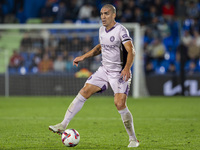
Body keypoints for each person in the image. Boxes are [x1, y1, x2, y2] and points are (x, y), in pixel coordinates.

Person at [49, 4, 139, 148]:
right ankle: (62, 125)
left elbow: (131, 51)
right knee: (84, 91)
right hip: (104, 70)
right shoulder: (102, 30)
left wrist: (127, 68)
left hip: (119, 72)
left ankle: (133, 139)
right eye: (101, 13)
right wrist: (83, 57)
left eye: (107, 13)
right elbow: (100, 47)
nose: (103, 16)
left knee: (119, 104)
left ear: (113, 15)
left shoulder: (121, 30)